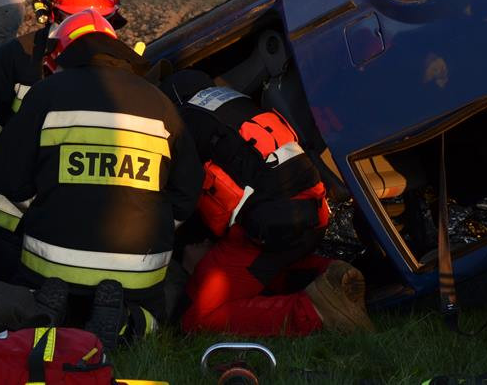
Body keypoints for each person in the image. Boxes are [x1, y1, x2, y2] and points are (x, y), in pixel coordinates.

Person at [0, 9, 202, 349]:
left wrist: (50, 202)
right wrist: (154, 225)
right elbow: (188, 189)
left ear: (65, 53)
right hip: (137, 269)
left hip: (52, 263)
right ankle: (125, 321)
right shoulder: (159, 102)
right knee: (154, 312)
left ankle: (52, 312)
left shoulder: (46, 93)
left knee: (40, 288)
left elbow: (6, 175)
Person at [160, 70, 374, 336]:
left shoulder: (184, 124)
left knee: (194, 318)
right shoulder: (237, 104)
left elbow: (183, 201)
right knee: (262, 272)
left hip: (270, 227)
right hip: (313, 215)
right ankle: (328, 274)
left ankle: (315, 313)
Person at [0, 0, 124, 237]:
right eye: (74, 19)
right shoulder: (12, 61)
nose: (86, 30)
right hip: (15, 208)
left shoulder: (121, 72)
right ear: (53, 14)